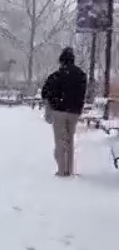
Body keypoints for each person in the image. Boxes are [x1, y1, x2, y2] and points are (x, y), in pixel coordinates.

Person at [41, 47, 87, 177]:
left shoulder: (56, 76)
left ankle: (62, 171)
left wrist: (52, 103)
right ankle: (70, 170)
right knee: (70, 141)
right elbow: (83, 93)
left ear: (61, 61)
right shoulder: (81, 75)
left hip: (59, 111)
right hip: (74, 112)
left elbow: (45, 92)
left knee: (61, 141)